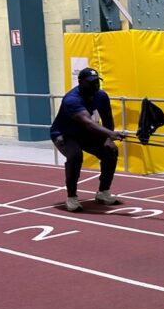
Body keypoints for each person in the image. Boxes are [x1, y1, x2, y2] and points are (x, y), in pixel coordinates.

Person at [50, 67, 126, 212]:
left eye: (97, 81)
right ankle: (71, 197)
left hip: (85, 133)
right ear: (80, 82)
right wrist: (110, 134)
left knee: (111, 151)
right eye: (91, 82)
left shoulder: (101, 96)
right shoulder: (72, 99)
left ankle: (103, 192)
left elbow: (108, 120)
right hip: (64, 134)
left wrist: (108, 139)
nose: (95, 85)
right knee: (75, 156)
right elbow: (88, 122)